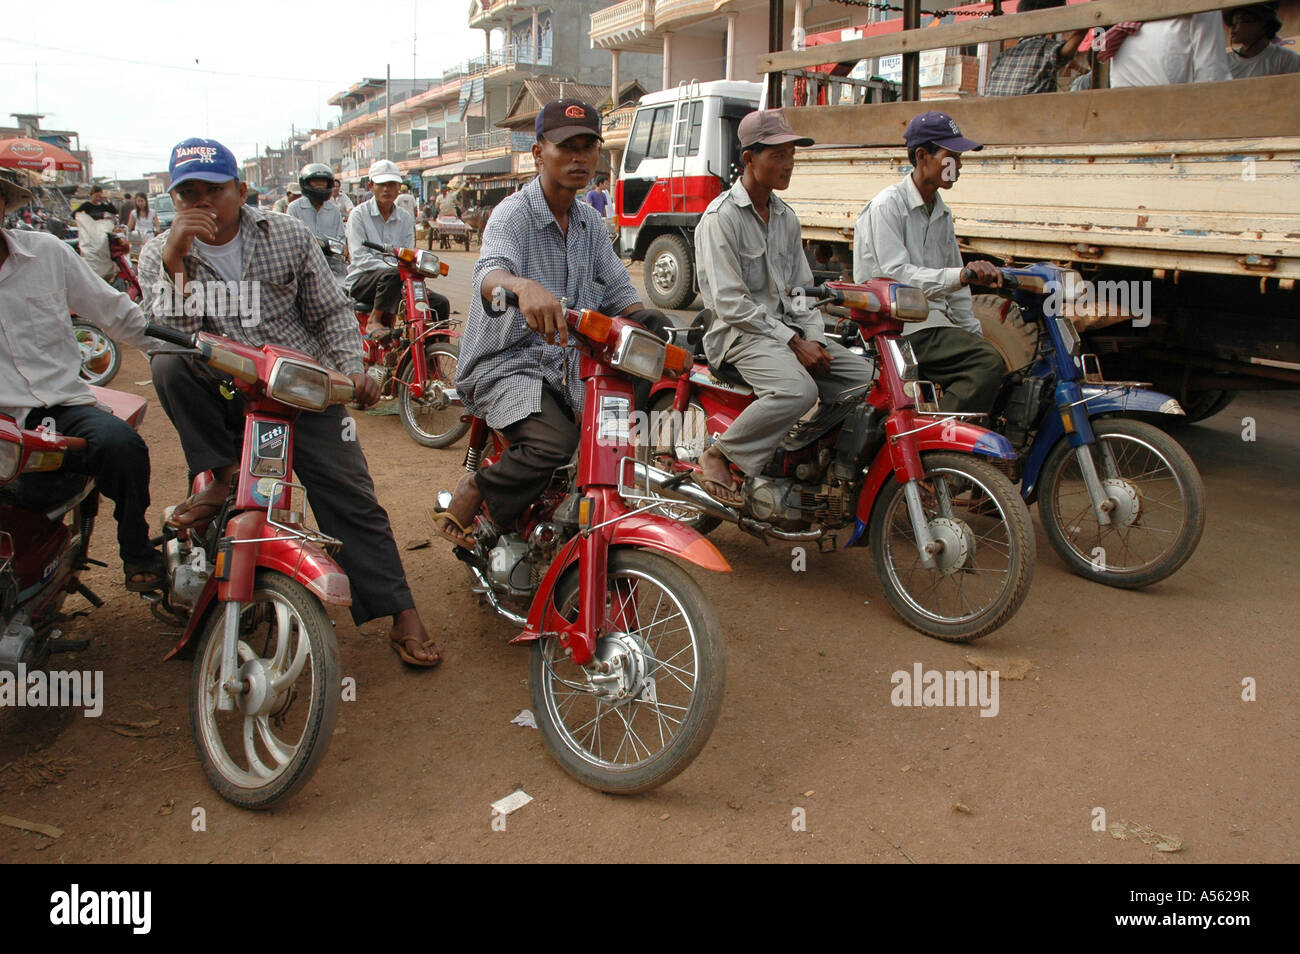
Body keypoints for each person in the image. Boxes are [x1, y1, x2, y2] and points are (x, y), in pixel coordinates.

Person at [137, 138, 441, 667]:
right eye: (188, 193)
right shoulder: (158, 253)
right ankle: (221, 471)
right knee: (168, 362)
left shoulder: (288, 234)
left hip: (296, 389)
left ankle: (401, 610)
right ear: (173, 199)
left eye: (213, 189)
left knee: (351, 496)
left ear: (242, 190)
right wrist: (175, 260)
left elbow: (329, 312)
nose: (201, 202)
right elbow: (173, 335)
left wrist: (353, 370)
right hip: (225, 387)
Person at [437, 99, 668, 545]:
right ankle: (477, 490)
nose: (579, 157)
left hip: (571, 368)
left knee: (646, 357)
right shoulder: (513, 214)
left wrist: (663, 331)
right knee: (552, 444)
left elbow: (623, 299)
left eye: (588, 146)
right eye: (567, 146)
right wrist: (522, 288)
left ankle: (579, 504)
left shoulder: (591, 224)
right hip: (509, 365)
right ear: (539, 152)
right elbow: (490, 275)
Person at [691, 110, 876, 504]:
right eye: (777, 154)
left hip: (785, 335)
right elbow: (729, 303)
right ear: (748, 160)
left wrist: (813, 337)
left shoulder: (786, 219)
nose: (788, 163)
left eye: (791, 153)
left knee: (868, 380)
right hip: (738, 337)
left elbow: (801, 293)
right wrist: (795, 343)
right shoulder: (720, 219)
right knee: (798, 391)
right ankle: (718, 453)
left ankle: (805, 453)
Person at [0, 176, 164, 592]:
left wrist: (182, 349)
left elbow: (112, 310)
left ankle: (136, 551)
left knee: (123, 447)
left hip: (60, 406)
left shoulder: (47, 252)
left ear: (3, 205)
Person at [854, 111, 1006, 416]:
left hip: (934, 325)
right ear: (922, 156)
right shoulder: (887, 206)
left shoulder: (942, 212)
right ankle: (937, 439)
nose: (959, 167)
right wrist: (960, 276)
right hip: (900, 327)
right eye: (952, 157)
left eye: (960, 159)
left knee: (1000, 367)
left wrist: (973, 335)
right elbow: (896, 278)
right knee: (986, 363)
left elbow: (958, 294)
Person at [345, 159, 448, 338]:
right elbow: (359, 259)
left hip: (398, 280)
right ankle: (373, 320)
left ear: (399, 187)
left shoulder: (405, 218)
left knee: (439, 303)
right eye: (381, 184)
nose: (387, 189)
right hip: (363, 281)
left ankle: (433, 357)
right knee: (392, 274)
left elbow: (409, 255)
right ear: (371, 186)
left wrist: (414, 280)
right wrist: (398, 272)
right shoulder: (358, 215)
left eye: (391, 184)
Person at [984, 0, 1088, 96]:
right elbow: (1068, 50)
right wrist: (1089, 19)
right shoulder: (1046, 48)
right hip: (1028, 114)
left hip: (992, 113)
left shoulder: (1003, 56)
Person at [1100, 12, 1230, 87]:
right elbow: (1212, 74)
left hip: (1173, 114)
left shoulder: (1124, 18)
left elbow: (1211, 74)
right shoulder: (1124, 14)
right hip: (1134, 113)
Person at [287, 162, 347, 285]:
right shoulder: (294, 208)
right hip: (302, 266)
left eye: (323, 181)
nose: (320, 185)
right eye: (315, 181)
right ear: (306, 183)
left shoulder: (334, 209)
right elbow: (291, 240)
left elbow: (341, 240)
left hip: (331, 265)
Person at [1226, 3, 1300, 78]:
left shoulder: (1285, 59)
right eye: (1232, 21)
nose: (1233, 27)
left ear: (1262, 23)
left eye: (1239, 20)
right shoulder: (1225, 61)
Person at [73, 186, 119, 280]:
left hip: (101, 234)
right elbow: (74, 214)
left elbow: (114, 211)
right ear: (91, 195)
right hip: (91, 235)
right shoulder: (86, 205)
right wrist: (85, 221)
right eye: (96, 196)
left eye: (99, 196)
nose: (97, 199)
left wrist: (108, 201)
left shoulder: (102, 205)